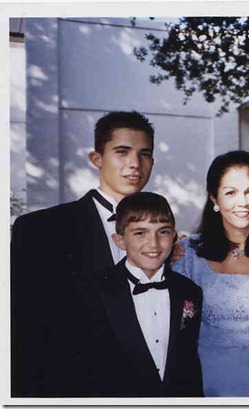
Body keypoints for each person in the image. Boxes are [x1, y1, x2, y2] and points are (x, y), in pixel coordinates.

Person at [10, 110, 155, 397]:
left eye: (145, 154)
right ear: (97, 158)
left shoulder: (164, 236)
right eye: (122, 152)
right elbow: (21, 328)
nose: (134, 164)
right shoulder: (42, 229)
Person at [172, 150, 249, 397]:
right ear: (214, 198)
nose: (243, 202)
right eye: (230, 192)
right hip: (202, 388)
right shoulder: (186, 256)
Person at [81, 192, 203, 397]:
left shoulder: (189, 291)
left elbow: (189, 363)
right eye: (140, 233)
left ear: (174, 236)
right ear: (120, 240)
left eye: (163, 232)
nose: (153, 243)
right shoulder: (94, 291)